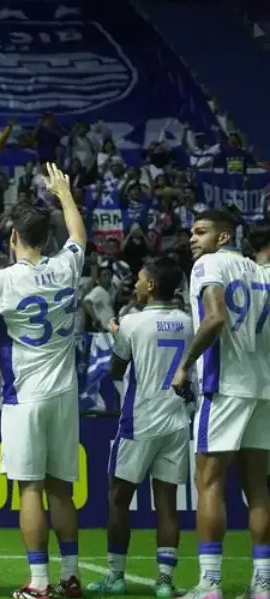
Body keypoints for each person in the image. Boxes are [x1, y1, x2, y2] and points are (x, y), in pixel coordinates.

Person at [0, 164, 88, 599]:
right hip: (65, 394)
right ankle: (72, 577)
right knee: (62, 489)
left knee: (30, 489)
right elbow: (79, 238)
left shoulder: (2, 281)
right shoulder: (65, 268)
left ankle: (38, 584)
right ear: (46, 238)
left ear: (14, 239)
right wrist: (65, 194)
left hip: (25, 398)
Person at [170, 210, 270, 599]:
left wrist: (183, 366)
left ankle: (209, 583)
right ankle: (263, 584)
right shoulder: (260, 271)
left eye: (201, 231)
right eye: (192, 232)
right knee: (258, 488)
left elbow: (215, 318)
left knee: (209, 483)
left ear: (224, 236)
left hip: (224, 386)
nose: (192, 239)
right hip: (262, 388)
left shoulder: (208, 265)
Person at [88, 256, 191, 598]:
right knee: (167, 504)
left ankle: (116, 577)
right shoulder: (187, 322)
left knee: (118, 498)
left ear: (151, 285)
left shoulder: (132, 322)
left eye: (140, 278)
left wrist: (118, 334)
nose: (135, 283)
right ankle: (164, 581)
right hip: (176, 420)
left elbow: (117, 371)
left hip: (140, 421)